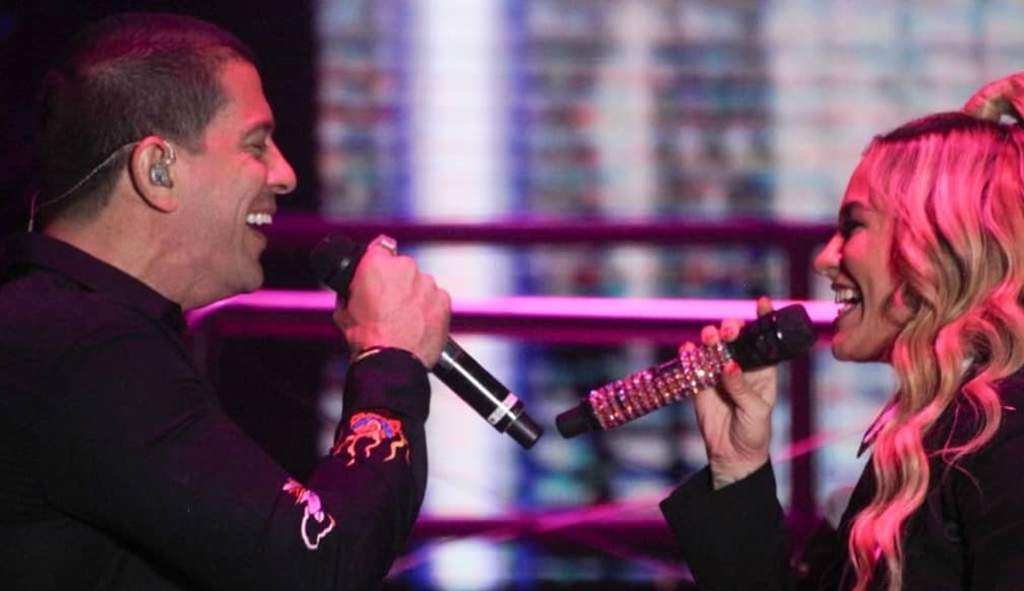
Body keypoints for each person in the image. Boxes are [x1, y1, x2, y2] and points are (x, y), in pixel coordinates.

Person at [0, 13, 450, 591]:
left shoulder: (65, 327)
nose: (285, 174)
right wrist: (389, 359)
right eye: (255, 145)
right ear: (158, 170)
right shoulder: (85, 352)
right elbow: (319, 564)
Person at [660, 87, 1024, 589]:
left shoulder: (1002, 438)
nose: (824, 258)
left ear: (937, 244)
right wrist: (737, 466)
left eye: (853, 226)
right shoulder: (930, 435)